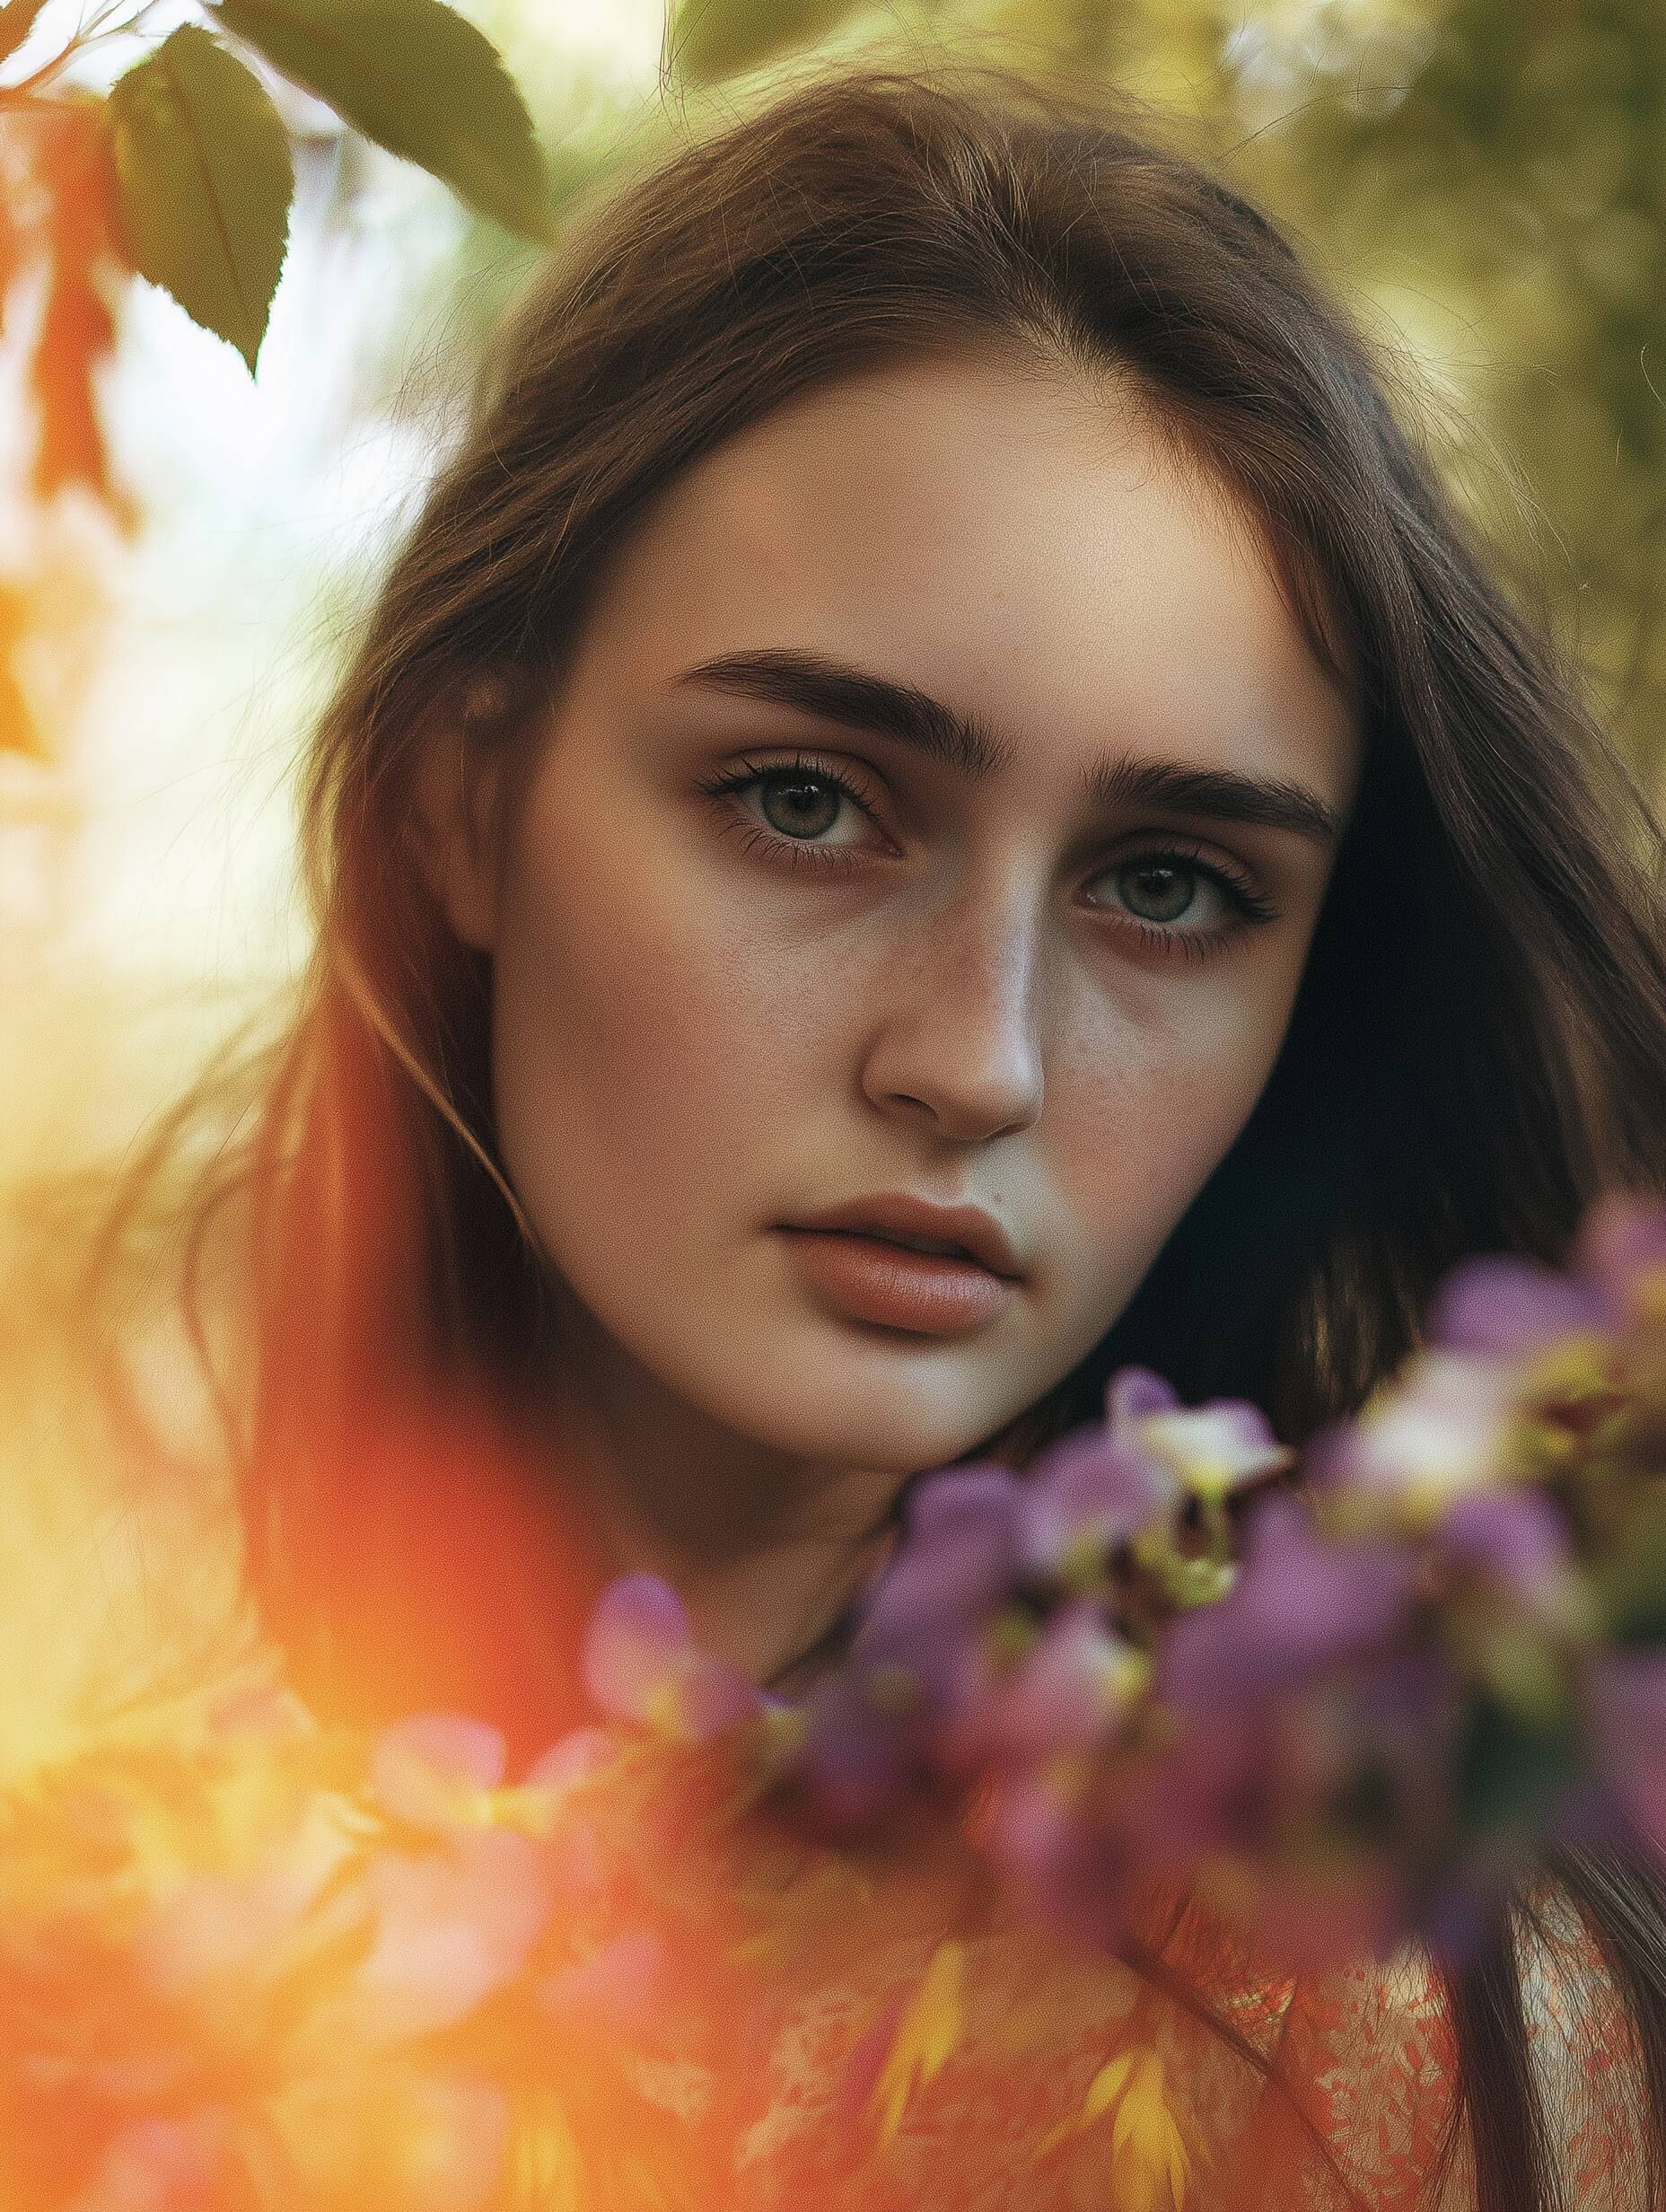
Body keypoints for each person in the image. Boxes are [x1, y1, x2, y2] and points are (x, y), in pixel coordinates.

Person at [55, 55, 1666, 2212]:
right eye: (806, 799)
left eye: (1168, 882)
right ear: (464, 805)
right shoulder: (92, 1968)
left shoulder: (1358, 2015)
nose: (976, 1059)